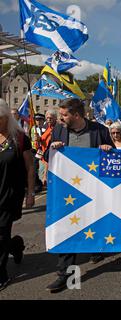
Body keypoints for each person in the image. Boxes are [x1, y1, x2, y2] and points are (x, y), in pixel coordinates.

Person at [44, 98, 115, 293]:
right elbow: (46, 155)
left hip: (94, 189)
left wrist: (108, 150)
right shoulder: (59, 130)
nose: (61, 118)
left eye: (64, 114)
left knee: (95, 222)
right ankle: (64, 274)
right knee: (68, 226)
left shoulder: (99, 130)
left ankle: (96, 249)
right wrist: (53, 148)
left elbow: (113, 159)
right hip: (67, 190)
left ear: (77, 115)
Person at [0, 99, 35, 291]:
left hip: (10, 194)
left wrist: (30, 193)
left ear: (6, 118)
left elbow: (30, 167)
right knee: (3, 237)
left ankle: (1, 275)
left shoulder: (20, 138)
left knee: (1, 234)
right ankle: (15, 245)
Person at [39, 109, 58, 187]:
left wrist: (45, 174)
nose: (49, 120)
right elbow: (43, 142)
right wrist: (38, 139)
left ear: (55, 118)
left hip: (50, 158)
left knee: (47, 181)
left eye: (51, 118)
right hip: (42, 156)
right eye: (47, 118)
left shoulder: (57, 129)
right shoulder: (46, 127)